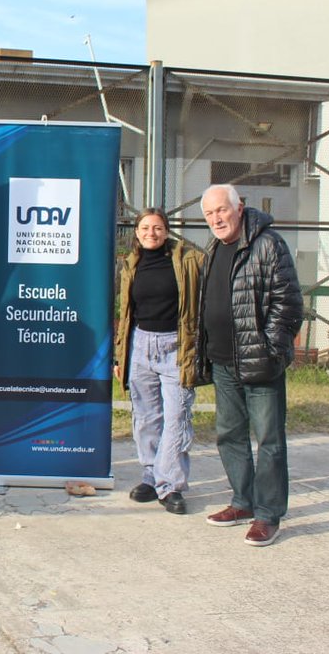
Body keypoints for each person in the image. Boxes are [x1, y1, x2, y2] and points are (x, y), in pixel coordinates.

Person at [196, 184, 303, 546]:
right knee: (230, 436)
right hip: (223, 362)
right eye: (209, 214)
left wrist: (271, 350)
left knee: (269, 440)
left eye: (221, 210)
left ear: (239, 208)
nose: (216, 219)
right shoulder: (213, 248)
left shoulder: (268, 244)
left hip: (260, 362)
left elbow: (288, 302)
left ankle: (268, 515)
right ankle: (242, 502)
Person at [113, 208, 203, 516]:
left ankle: (171, 485)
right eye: (145, 228)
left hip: (176, 346)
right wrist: (120, 354)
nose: (151, 233)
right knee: (146, 417)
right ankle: (151, 477)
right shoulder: (130, 264)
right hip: (140, 345)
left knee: (176, 417)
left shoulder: (187, 259)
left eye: (157, 228)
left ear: (166, 231)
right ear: (137, 232)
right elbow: (126, 313)